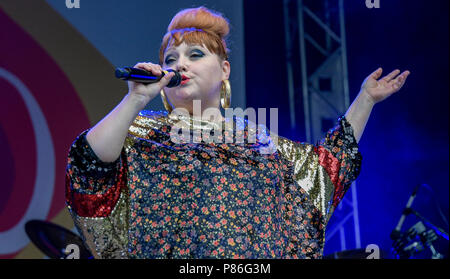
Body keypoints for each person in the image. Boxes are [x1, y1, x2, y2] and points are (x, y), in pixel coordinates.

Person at [65, 6, 410, 259]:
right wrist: (135, 99)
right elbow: (89, 165)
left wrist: (365, 99)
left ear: (224, 70)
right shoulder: (143, 133)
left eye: (194, 54)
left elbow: (327, 168)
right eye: (171, 59)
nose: (179, 65)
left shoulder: (262, 142)